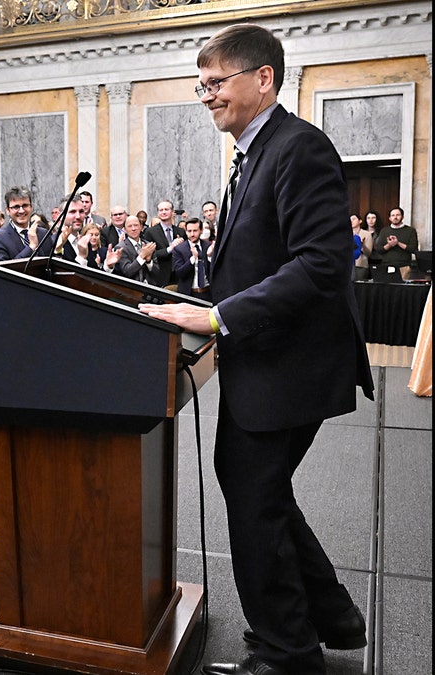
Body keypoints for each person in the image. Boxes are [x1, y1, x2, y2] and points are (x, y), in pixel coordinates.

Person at [139, 24, 374, 675]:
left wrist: (217, 315)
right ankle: (330, 616)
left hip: (291, 366)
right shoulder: (254, 151)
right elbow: (250, 260)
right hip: (265, 361)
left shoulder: (300, 148)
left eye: (216, 82)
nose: (205, 95)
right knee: (257, 491)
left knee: (252, 494)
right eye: (201, 84)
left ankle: (287, 651)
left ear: (262, 78)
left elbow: (322, 263)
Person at [0, 187, 52, 261]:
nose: (21, 211)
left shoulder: (43, 233)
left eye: (25, 205)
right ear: (8, 210)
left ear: (31, 207)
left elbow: (50, 264)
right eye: (16, 207)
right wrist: (31, 247)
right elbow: (2, 270)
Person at [172, 218, 214, 300]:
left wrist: (209, 257)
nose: (192, 234)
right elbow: (179, 273)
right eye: (189, 231)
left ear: (201, 230)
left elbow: (216, 271)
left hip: (208, 292)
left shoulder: (208, 246)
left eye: (195, 231)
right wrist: (192, 259)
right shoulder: (179, 249)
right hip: (188, 294)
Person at [374, 206, 419, 279]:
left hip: (404, 266)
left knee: (402, 289)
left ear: (402, 217)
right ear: (389, 218)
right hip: (387, 265)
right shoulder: (384, 230)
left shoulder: (410, 230)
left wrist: (398, 243)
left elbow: (413, 249)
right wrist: (389, 245)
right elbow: (379, 249)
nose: (395, 217)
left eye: (398, 215)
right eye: (393, 215)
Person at [115, 214, 159, 284]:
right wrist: (142, 256)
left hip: (151, 288)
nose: (133, 228)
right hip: (132, 289)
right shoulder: (121, 247)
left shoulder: (148, 245)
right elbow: (128, 272)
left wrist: (148, 261)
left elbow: (157, 272)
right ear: (125, 230)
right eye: (130, 226)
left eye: (136, 225)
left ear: (141, 227)